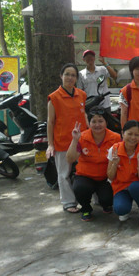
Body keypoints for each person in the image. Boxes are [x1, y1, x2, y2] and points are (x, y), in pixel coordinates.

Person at [46, 63, 88, 213]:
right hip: (62, 141)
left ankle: (91, 198)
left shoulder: (81, 94)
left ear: (76, 78)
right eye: (67, 74)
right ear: (61, 76)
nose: (70, 78)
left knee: (87, 170)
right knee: (64, 174)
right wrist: (50, 144)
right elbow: (50, 122)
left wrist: (89, 132)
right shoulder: (54, 98)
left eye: (73, 75)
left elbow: (84, 115)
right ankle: (69, 202)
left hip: (82, 140)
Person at [66, 108, 121, 221]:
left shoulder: (115, 137)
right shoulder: (82, 137)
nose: (97, 125)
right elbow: (70, 159)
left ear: (106, 122)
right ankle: (86, 208)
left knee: (107, 199)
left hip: (106, 177)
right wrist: (75, 140)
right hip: (85, 176)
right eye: (93, 121)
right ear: (89, 123)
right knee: (80, 188)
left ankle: (106, 204)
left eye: (100, 121)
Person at [107, 120, 139, 227]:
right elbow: (110, 176)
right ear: (123, 133)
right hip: (121, 187)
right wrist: (114, 164)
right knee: (120, 209)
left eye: (136, 135)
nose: (133, 137)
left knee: (135, 187)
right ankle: (126, 205)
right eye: (130, 134)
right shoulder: (114, 149)